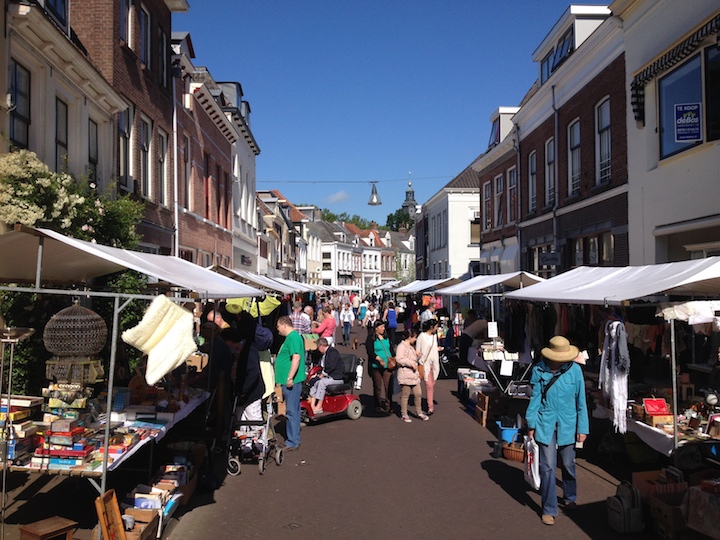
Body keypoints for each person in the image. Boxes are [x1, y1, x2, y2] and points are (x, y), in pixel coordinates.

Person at [525, 335, 589, 526]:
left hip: (569, 422)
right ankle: (549, 508)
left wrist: (583, 428)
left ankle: (569, 496)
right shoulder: (538, 370)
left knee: (568, 464)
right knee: (548, 467)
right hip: (545, 421)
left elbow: (581, 402)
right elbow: (534, 399)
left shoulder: (576, 371)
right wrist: (531, 425)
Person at [275, 316, 305, 451]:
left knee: (291, 411)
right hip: (291, 380)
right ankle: (294, 438)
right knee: (294, 410)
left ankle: (292, 441)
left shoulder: (292, 337)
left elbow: (296, 357)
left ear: (284, 325)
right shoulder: (293, 337)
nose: (277, 329)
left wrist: (289, 377)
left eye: (278, 326)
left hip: (291, 381)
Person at [395, 328, 429, 423]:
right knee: (405, 394)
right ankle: (404, 414)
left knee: (418, 393)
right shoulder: (401, 347)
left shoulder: (411, 346)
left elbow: (414, 359)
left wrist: (418, 355)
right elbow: (399, 359)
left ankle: (419, 412)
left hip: (414, 374)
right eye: (414, 337)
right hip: (405, 374)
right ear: (410, 337)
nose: (415, 339)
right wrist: (410, 363)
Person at [308, 338, 346, 414]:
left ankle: (319, 406)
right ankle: (312, 405)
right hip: (329, 376)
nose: (318, 350)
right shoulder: (325, 354)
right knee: (314, 382)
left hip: (336, 377)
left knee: (322, 383)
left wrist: (322, 374)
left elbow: (331, 366)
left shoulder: (332, 352)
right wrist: (316, 374)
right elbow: (322, 367)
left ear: (322, 346)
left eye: (318, 347)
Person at [366, 319, 394, 413]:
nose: (383, 328)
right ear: (376, 328)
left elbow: (391, 348)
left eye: (384, 327)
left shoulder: (386, 336)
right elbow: (370, 352)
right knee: (377, 386)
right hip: (376, 366)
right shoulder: (371, 338)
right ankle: (377, 405)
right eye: (381, 327)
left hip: (388, 365)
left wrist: (394, 358)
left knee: (388, 385)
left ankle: (389, 405)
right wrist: (379, 359)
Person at [416, 318, 442, 415]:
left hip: (434, 363)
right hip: (425, 363)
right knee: (429, 385)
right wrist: (419, 357)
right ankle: (430, 406)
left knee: (432, 384)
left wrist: (437, 349)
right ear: (431, 327)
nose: (437, 328)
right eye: (436, 326)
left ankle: (429, 405)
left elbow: (433, 347)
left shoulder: (434, 337)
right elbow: (417, 350)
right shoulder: (421, 336)